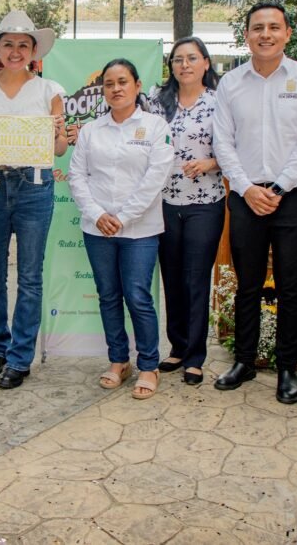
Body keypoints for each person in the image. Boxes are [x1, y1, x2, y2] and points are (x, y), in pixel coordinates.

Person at [211, 1, 297, 404]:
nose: (266, 34)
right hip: (245, 197)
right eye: (257, 27)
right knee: (248, 283)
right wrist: (246, 188)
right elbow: (222, 141)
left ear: (287, 33)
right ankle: (244, 361)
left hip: (291, 198)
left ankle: (287, 367)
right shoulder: (231, 83)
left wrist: (278, 188)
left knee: (291, 286)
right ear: (246, 35)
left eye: (274, 27)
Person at [0, 10, 69, 389]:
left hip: (34, 187)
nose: (16, 51)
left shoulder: (49, 91)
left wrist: (57, 133)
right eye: (8, 44)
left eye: (23, 45)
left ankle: (20, 357)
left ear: (34, 51)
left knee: (30, 277)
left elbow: (58, 149)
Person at [69, 59, 173, 399]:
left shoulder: (156, 127)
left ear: (137, 85)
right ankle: (118, 360)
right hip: (97, 229)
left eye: (123, 81)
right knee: (108, 295)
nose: (116, 88)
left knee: (138, 297)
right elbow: (77, 176)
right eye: (109, 83)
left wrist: (123, 217)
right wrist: (97, 214)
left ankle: (149, 365)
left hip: (140, 230)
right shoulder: (90, 130)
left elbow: (155, 178)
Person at [151, 37, 224, 386]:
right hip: (164, 203)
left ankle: (195, 356)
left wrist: (211, 162)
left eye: (192, 58)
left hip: (204, 203)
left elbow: (237, 147)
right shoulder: (157, 101)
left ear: (205, 63)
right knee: (172, 277)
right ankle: (178, 347)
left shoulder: (220, 103)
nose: (184, 65)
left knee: (196, 279)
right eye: (178, 59)